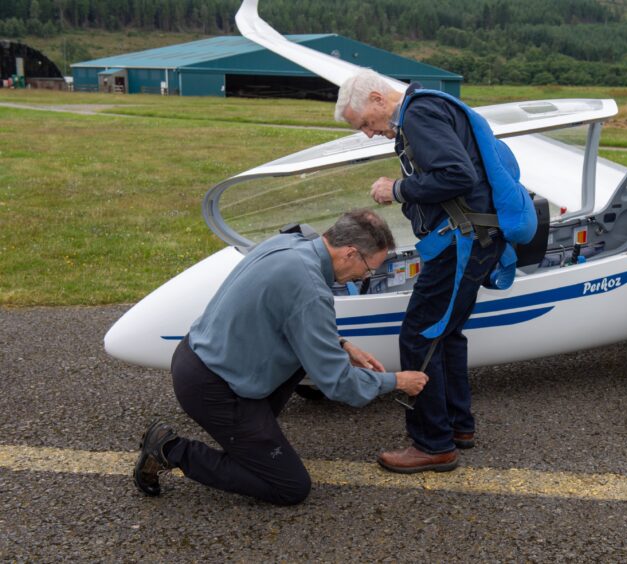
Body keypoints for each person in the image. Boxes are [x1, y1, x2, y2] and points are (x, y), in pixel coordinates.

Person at [133, 209, 429, 505]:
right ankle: (168, 449)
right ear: (350, 253)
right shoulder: (311, 289)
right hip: (214, 389)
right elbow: (339, 384)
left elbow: (287, 313)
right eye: (368, 268)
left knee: (269, 426)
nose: (366, 276)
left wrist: (340, 345)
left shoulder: (290, 244)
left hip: (200, 358)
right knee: (290, 487)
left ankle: (249, 441)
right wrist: (397, 380)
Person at [335, 70, 507, 473]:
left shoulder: (418, 115)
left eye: (364, 123)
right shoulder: (428, 105)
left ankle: (433, 443)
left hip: (459, 243)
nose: (367, 133)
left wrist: (397, 189)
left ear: (377, 99)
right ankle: (458, 425)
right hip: (473, 237)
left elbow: (455, 174)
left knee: (419, 336)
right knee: (446, 333)